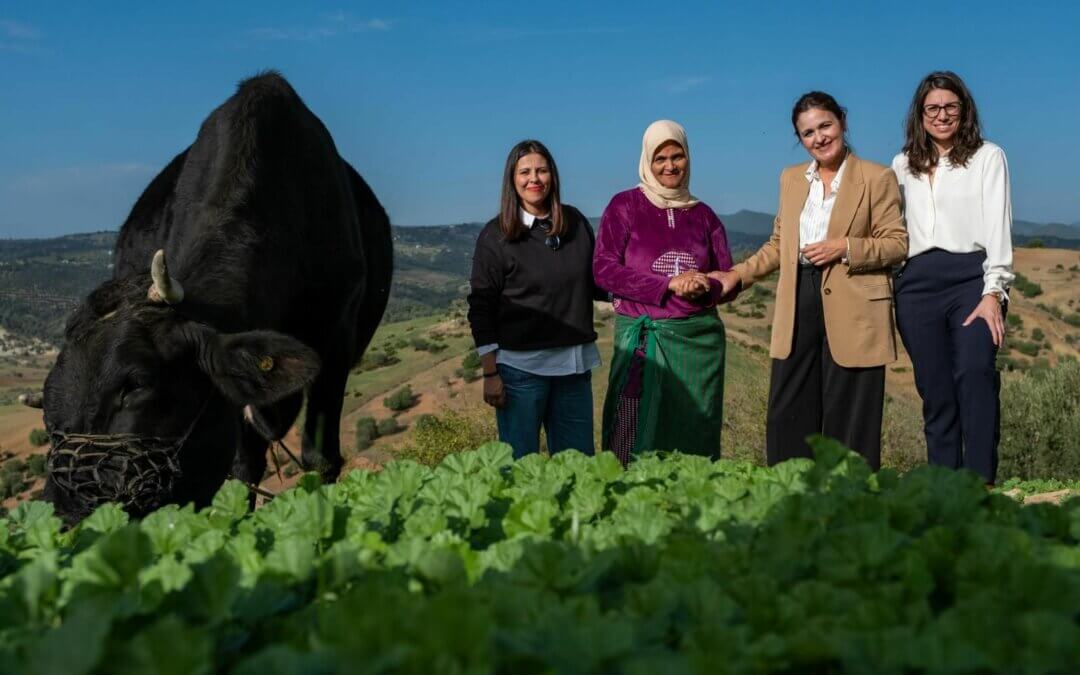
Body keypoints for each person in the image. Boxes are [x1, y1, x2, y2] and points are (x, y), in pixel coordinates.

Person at [714, 92, 908, 470]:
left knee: (850, 412)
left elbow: (897, 244)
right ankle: (792, 494)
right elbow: (778, 244)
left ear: (843, 123)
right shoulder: (790, 179)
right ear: (799, 139)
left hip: (854, 300)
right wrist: (738, 275)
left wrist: (844, 247)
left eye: (825, 126)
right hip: (798, 298)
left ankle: (849, 500)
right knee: (787, 407)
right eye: (808, 133)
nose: (819, 137)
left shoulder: (877, 177)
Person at [891, 71, 1013, 486]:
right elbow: (896, 229)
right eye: (933, 108)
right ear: (920, 115)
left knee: (975, 372)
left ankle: (980, 484)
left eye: (950, 107)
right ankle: (945, 485)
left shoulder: (988, 157)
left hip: (971, 280)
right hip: (916, 283)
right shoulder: (902, 163)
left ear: (964, 110)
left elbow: (998, 226)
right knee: (935, 388)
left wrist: (994, 291)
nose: (942, 115)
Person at [593, 120, 735, 465]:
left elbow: (728, 277)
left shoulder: (704, 216)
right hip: (644, 342)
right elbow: (604, 269)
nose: (670, 166)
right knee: (632, 425)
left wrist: (705, 285)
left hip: (696, 346)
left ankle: (690, 510)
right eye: (660, 159)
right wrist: (668, 284)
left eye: (678, 156)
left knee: (694, 427)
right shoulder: (625, 206)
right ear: (647, 161)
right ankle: (626, 504)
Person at [467, 140, 602, 459]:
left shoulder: (576, 224)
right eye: (525, 171)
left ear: (552, 176)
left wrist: (650, 290)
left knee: (579, 469)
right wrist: (490, 373)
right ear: (512, 180)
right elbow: (481, 309)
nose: (534, 179)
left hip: (573, 369)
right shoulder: (495, 235)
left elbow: (597, 282)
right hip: (520, 374)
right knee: (519, 469)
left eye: (541, 170)